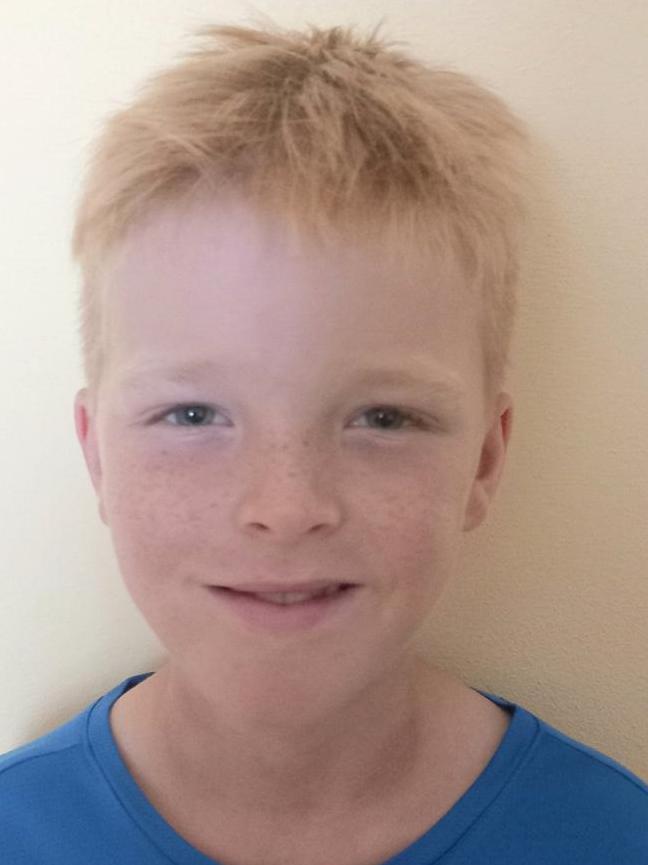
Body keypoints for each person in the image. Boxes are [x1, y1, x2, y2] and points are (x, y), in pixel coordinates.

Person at [1, 20, 646, 865]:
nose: (285, 508)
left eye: (383, 418)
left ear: (485, 461)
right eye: (192, 415)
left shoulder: (614, 837)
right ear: (96, 456)